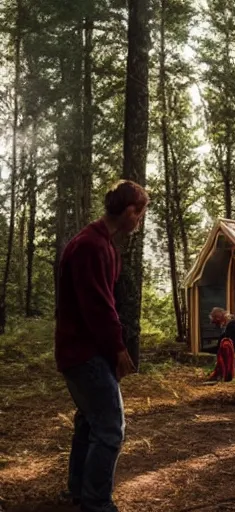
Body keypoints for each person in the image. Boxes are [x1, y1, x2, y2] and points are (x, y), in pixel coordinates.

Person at [55, 180, 148, 512]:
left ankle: (78, 492)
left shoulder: (103, 245)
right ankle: (96, 503)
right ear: (127, 211)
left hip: (81, 353)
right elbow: (99, 307)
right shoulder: (91, 246)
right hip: (84, 354)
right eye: (140, 212)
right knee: (110, 427)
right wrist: (118, 350)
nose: (140, 220)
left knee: (90, 421)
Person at [206, 308, 235, 382]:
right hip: (230, 346)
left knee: (221, 351)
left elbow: (229, 341)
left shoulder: (232, 324)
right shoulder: (230, 323)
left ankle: (220, 374)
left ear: (218, 318)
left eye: (215, 322)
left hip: (233, 347)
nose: (216, 325)